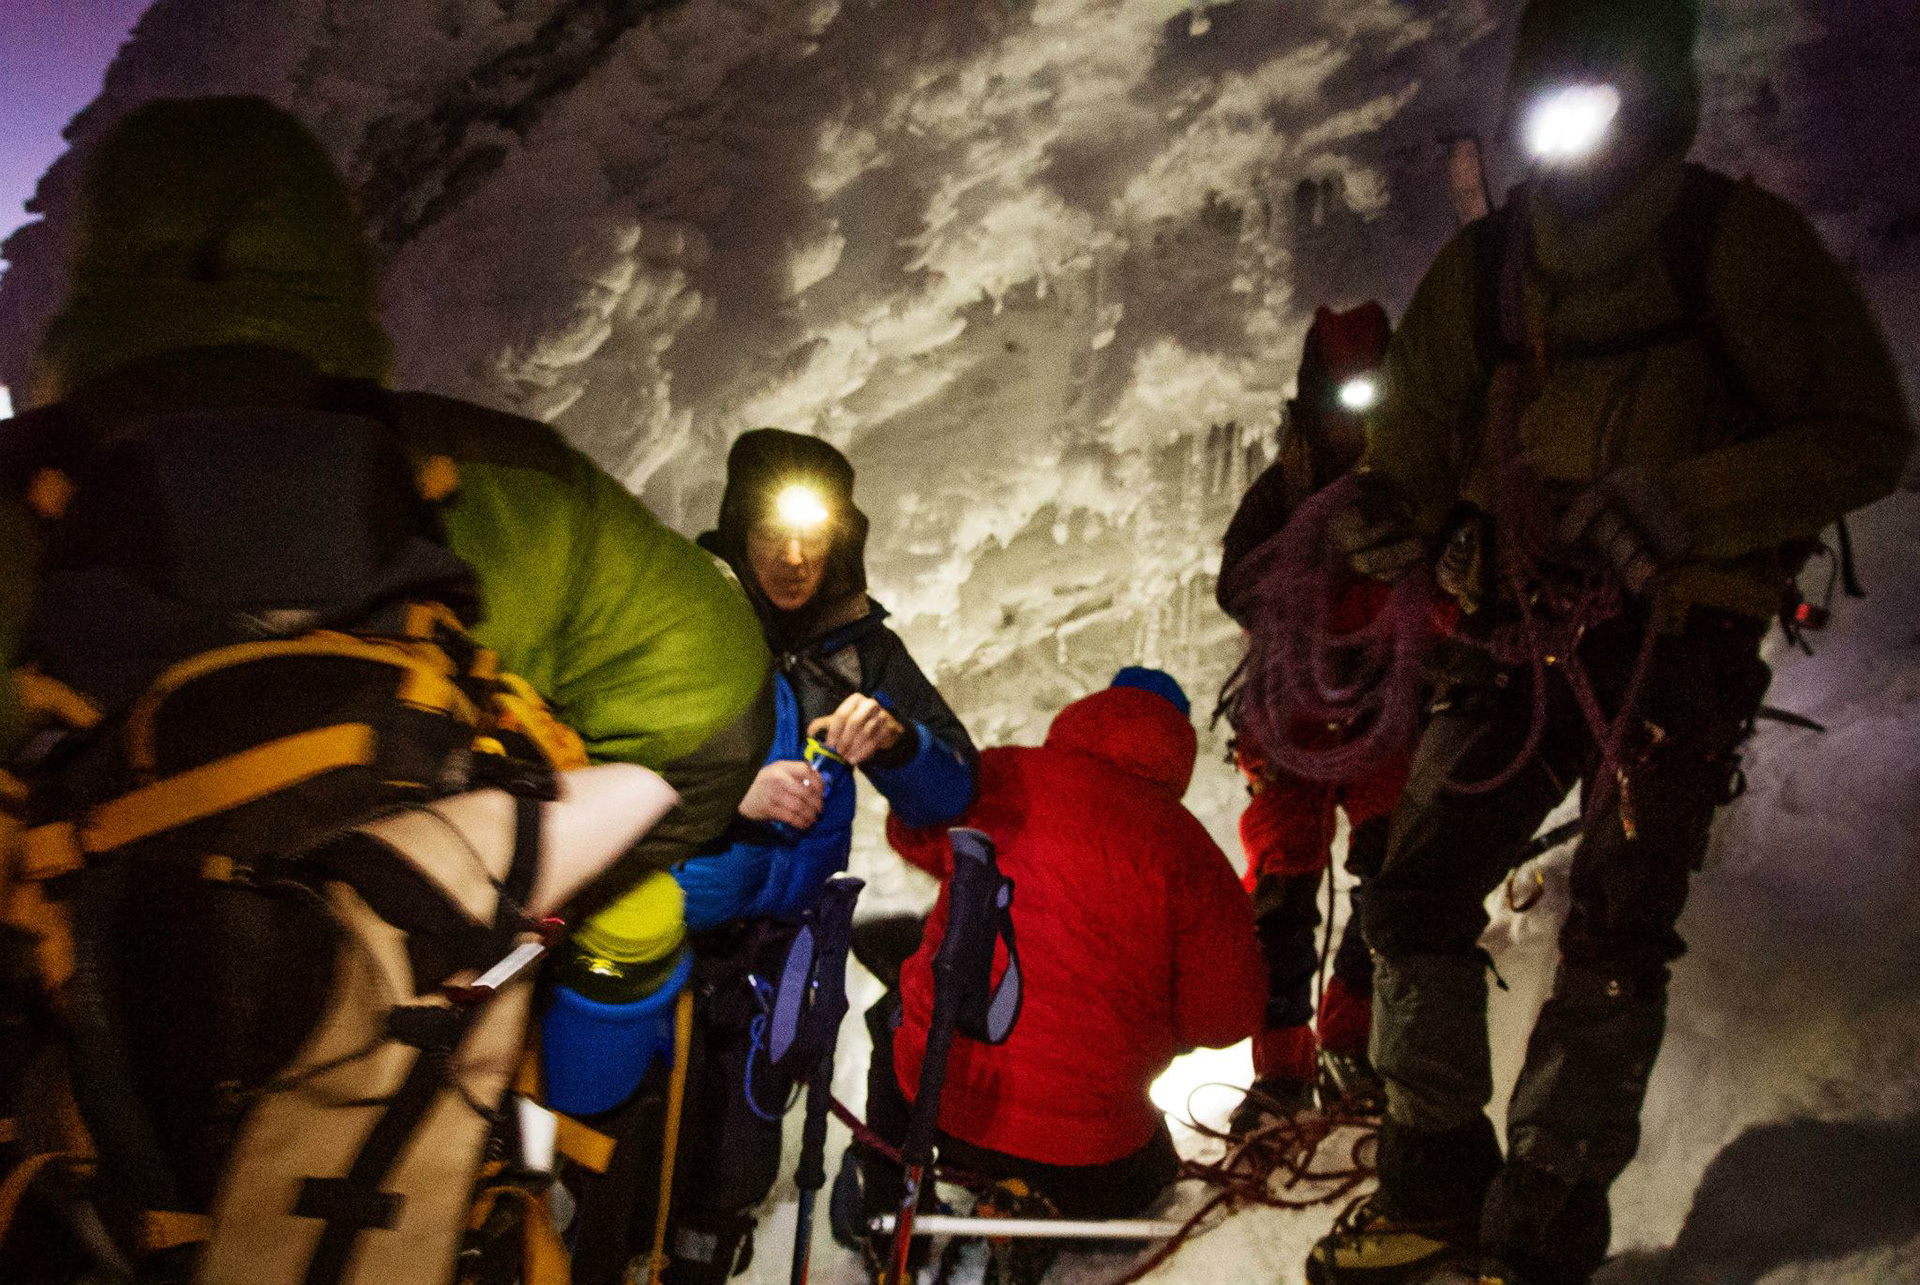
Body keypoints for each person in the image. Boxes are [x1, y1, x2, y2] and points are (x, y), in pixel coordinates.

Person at [0, 96, 775, 1281]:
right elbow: (715, 705)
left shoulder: (19, 518)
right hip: (410, 1170)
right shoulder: (503, 484)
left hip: (84, 1186)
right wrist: (527, 862)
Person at [1307, 4, 1914, 1283]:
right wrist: (1394, 513)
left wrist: (1689, 504)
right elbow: (1415, 435)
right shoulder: (1488, 271)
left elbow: (1864, 435)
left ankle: (1541, 1228)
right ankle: (1438, 1184)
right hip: (1517, 630)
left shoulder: (1732, 245)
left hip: (1677, 642)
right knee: (1411, 896)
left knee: (1616, 938)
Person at [656, 427, 979, 1284]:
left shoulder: (860, 650)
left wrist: (898, 741)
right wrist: (731, 794)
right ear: (738, 524)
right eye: (774, 531)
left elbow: (953, 787)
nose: (795, 558)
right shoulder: (686, 615)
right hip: (661, 932)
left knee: (737, 1166)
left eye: (815, 534)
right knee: (634, 1151)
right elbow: (599, 758)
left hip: (777, 952)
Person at [864, 669, 1266, 1277]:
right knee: (1151, 1180)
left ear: (1092, 710)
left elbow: (909, 832)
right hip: (1089, 1154)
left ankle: (885, 1198)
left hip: (941, 1107)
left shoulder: (1002, 774)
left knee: (899, 1021)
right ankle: (1032, 1204)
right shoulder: (1193, 853)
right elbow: (1226, 1018)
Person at [1215, 302, 1410, 1125]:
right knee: (1283, 899)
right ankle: (1283, 1066)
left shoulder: (1412, 481)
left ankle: (1349, 1040)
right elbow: (1236, 585)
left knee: (1387, 877)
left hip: (1383, 717)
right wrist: (1327, 581)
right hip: (1293, 719)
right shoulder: (1283, 492)